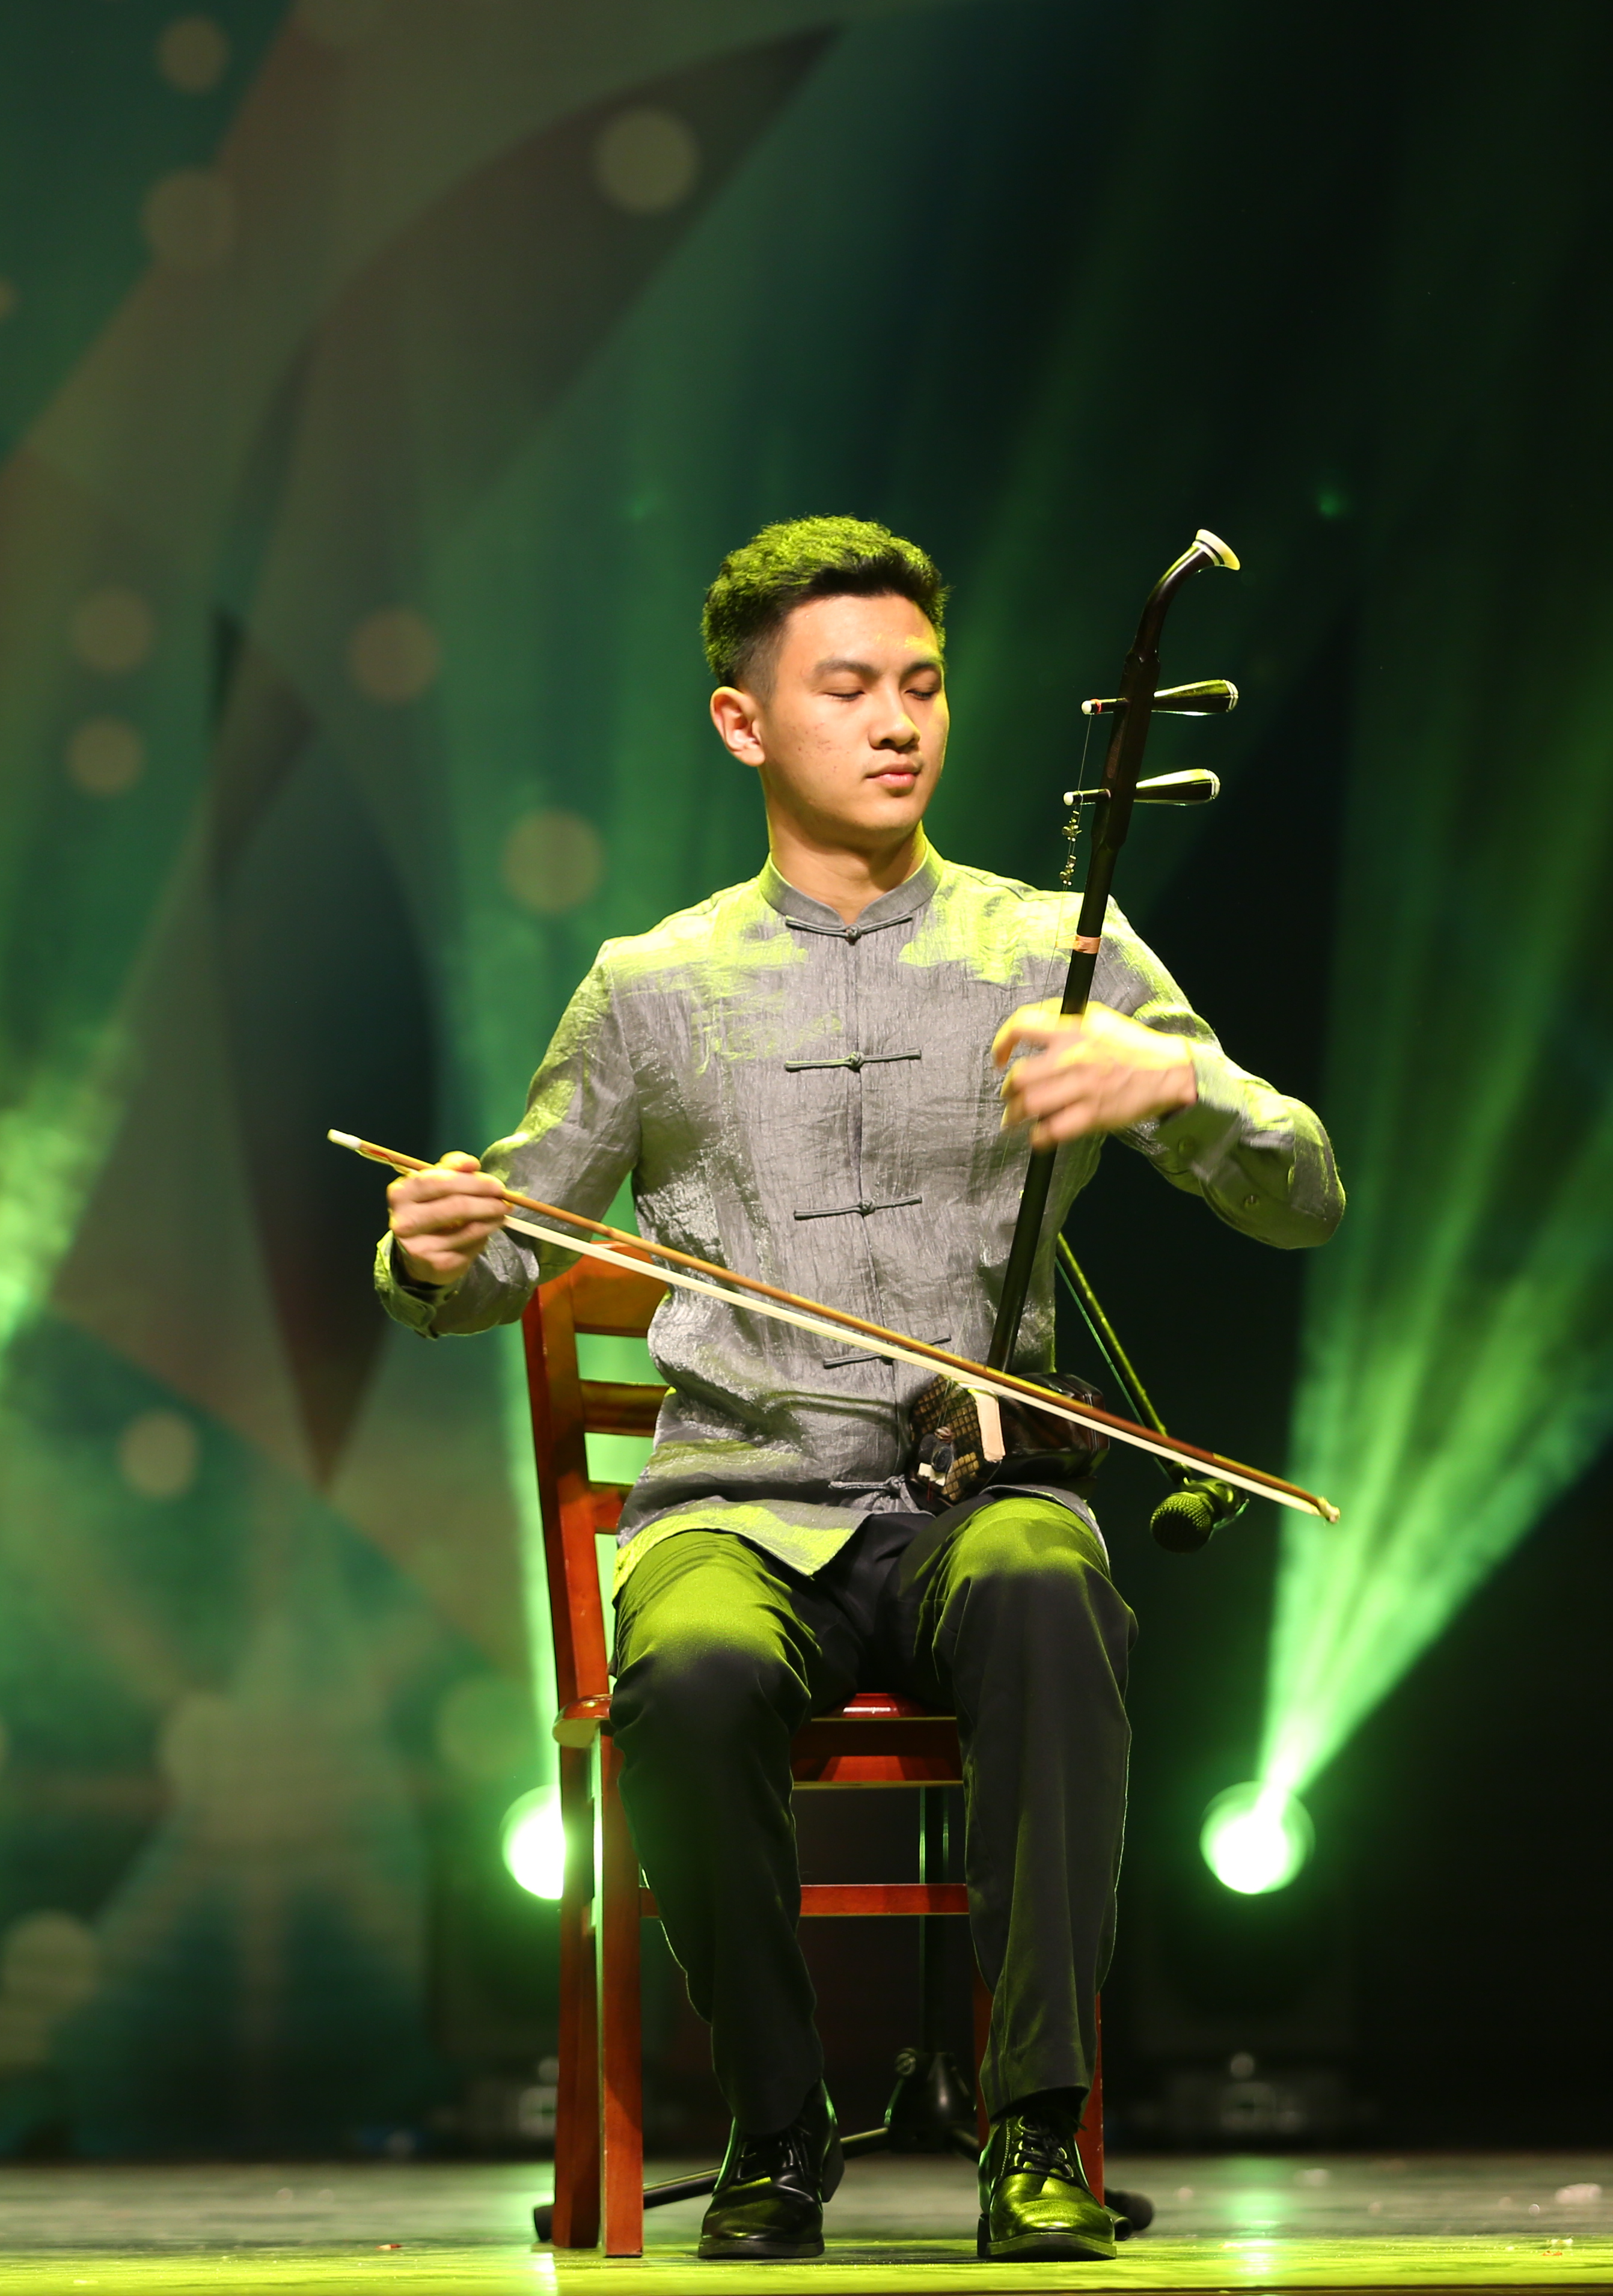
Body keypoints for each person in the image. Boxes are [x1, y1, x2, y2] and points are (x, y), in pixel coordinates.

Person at [377, 517, 1341, 2261]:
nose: (898, 722)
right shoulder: (651, 989)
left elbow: (1304, 1194)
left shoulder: (1056, 946)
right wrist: (431, 1250)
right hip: (736, 1503)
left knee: (1053, 1589)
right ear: (743, 722)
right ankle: (776, 2123)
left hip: (977, 1495)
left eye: (923, 684)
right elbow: (505, 1247)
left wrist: (1174, 1089)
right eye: (847, 689)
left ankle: (1034, 2126)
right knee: (689, 1672)